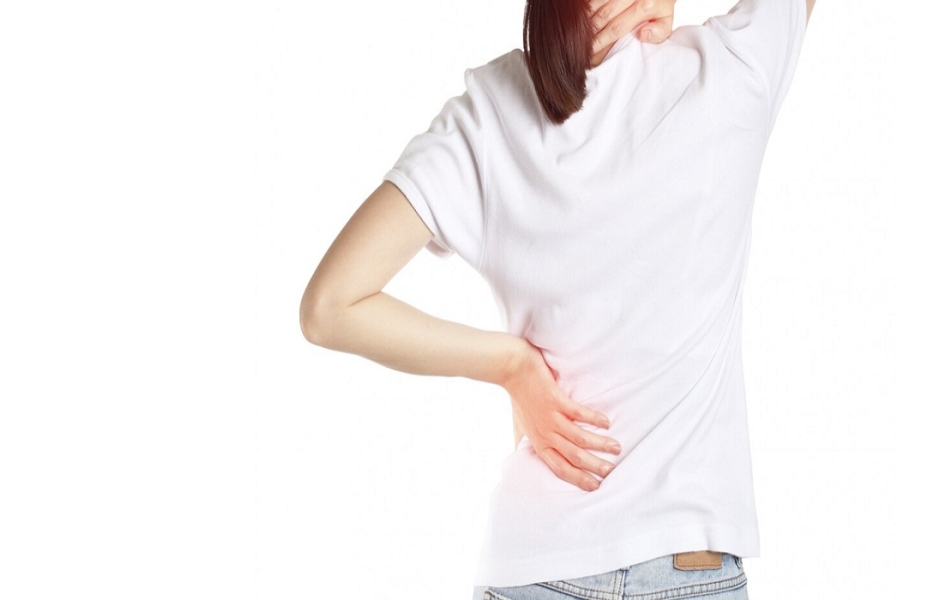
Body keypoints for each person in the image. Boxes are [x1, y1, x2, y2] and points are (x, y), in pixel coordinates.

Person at [299, 0, 815, 597]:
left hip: (533, 563)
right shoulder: (728, 72)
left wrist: (511, 365)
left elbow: (330, 307)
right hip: (687, 559)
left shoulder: (489, 114)